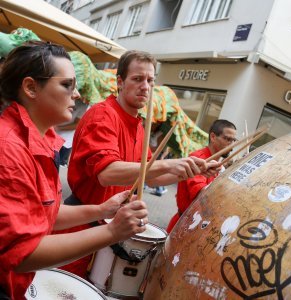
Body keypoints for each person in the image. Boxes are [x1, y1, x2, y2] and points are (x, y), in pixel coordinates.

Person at [0, 41, 148, 300]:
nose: (77, 94)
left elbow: (45, 214)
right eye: (67, 85)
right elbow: (22, 254)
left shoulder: (39, 140)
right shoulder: (9, 149)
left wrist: (103, 210)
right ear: (31, 87)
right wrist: (111, 231)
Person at [63, 50, 220, 276]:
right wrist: (168, 164)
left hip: (112, 226)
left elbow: (150, 175)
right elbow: (106, 173)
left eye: (150, 80)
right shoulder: (103, 115)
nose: (145, 86)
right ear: (120, 82)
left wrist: (192, 169)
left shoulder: (138, 124)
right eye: (137, 79)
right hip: (83, 224)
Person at [166, 119, 237, 233]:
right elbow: (202, 195)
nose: (232, 145)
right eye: (227, 139)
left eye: (234, 140)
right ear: (213, 137)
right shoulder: (199, 159)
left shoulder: (218, 165)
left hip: (199, 228)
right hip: (183, 227)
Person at [55, 99, 88, 167]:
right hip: (51, 135)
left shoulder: (83, 104)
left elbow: (77, 124)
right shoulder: (60, 97)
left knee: (58, 163)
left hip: (66, 140)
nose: (76, 94)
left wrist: (58, 127)